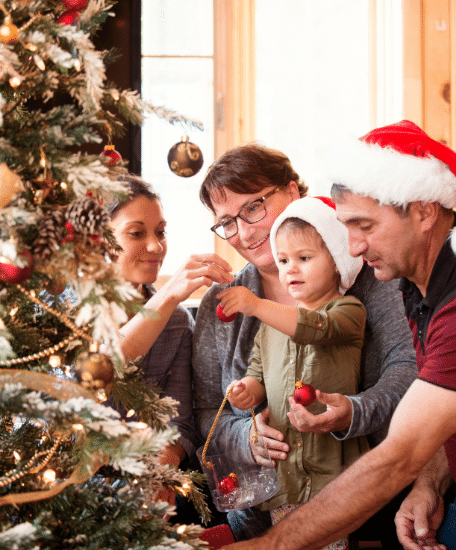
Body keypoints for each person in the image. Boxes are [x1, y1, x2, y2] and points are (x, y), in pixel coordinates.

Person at [219, 120, 456, 550]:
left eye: (365, 226)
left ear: (424, 211)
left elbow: (399, 455)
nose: (353, 248)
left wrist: (269, 546)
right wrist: (430, 487)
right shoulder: (415, 287)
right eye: (346, 228)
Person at [222, 197, 367, 550]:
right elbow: (257, 375)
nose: (290, 269)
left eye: (304, 258)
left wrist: (257, 305)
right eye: (283, 260)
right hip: (285, 469)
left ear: (336, 262)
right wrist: (246, 392)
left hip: (334, 469)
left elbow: (316, 328)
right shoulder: (270, 327)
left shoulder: (348, 310)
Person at [106, 175, 234, 513]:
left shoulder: (177, 321)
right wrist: (167, 296)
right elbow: (93, 372)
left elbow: (179, 421)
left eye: (160, 232)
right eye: (137, 233)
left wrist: (163, 465)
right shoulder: (61, 312)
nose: (155, 246)